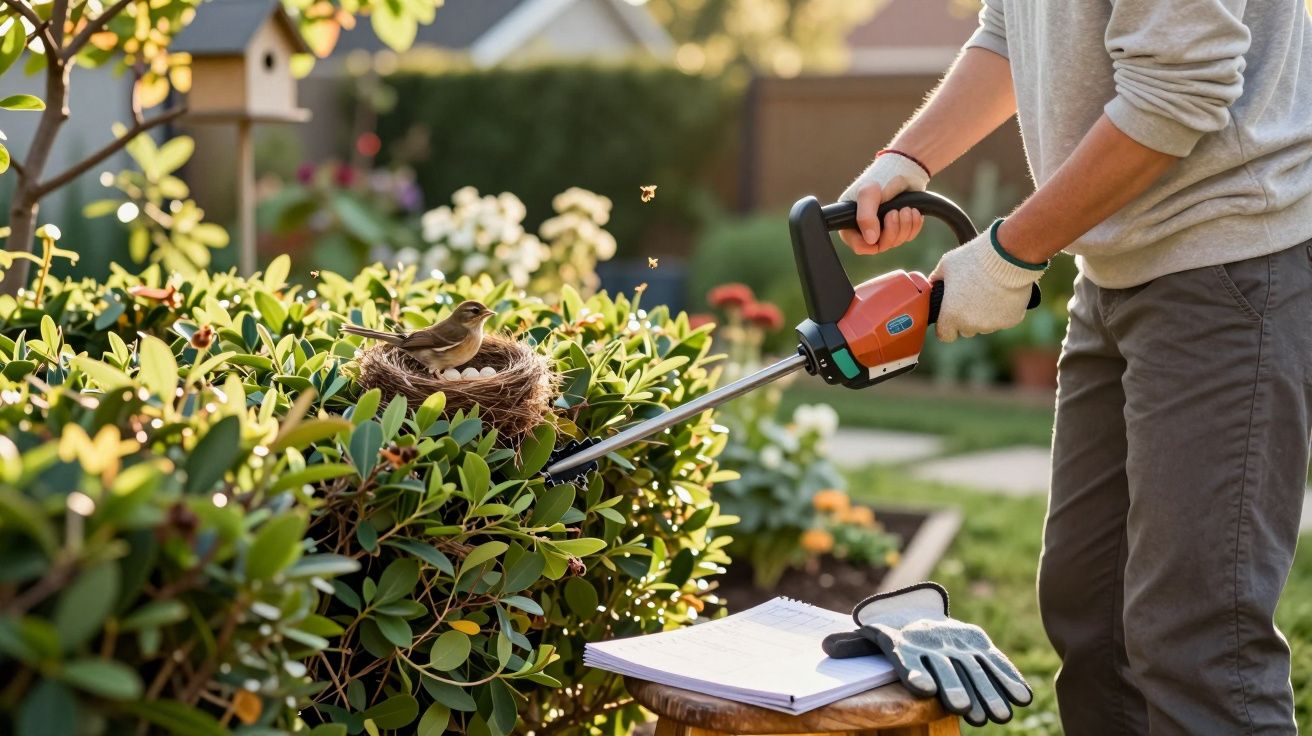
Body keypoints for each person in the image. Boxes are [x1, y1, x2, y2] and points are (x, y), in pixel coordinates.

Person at [838, 1, 1312, 734]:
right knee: (1092, 617)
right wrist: (906, 158)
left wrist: (1009, 253)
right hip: (1114, 269)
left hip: (1227, 259)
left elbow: (1178, 91)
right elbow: (1011, 28)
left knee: (1197, 639)